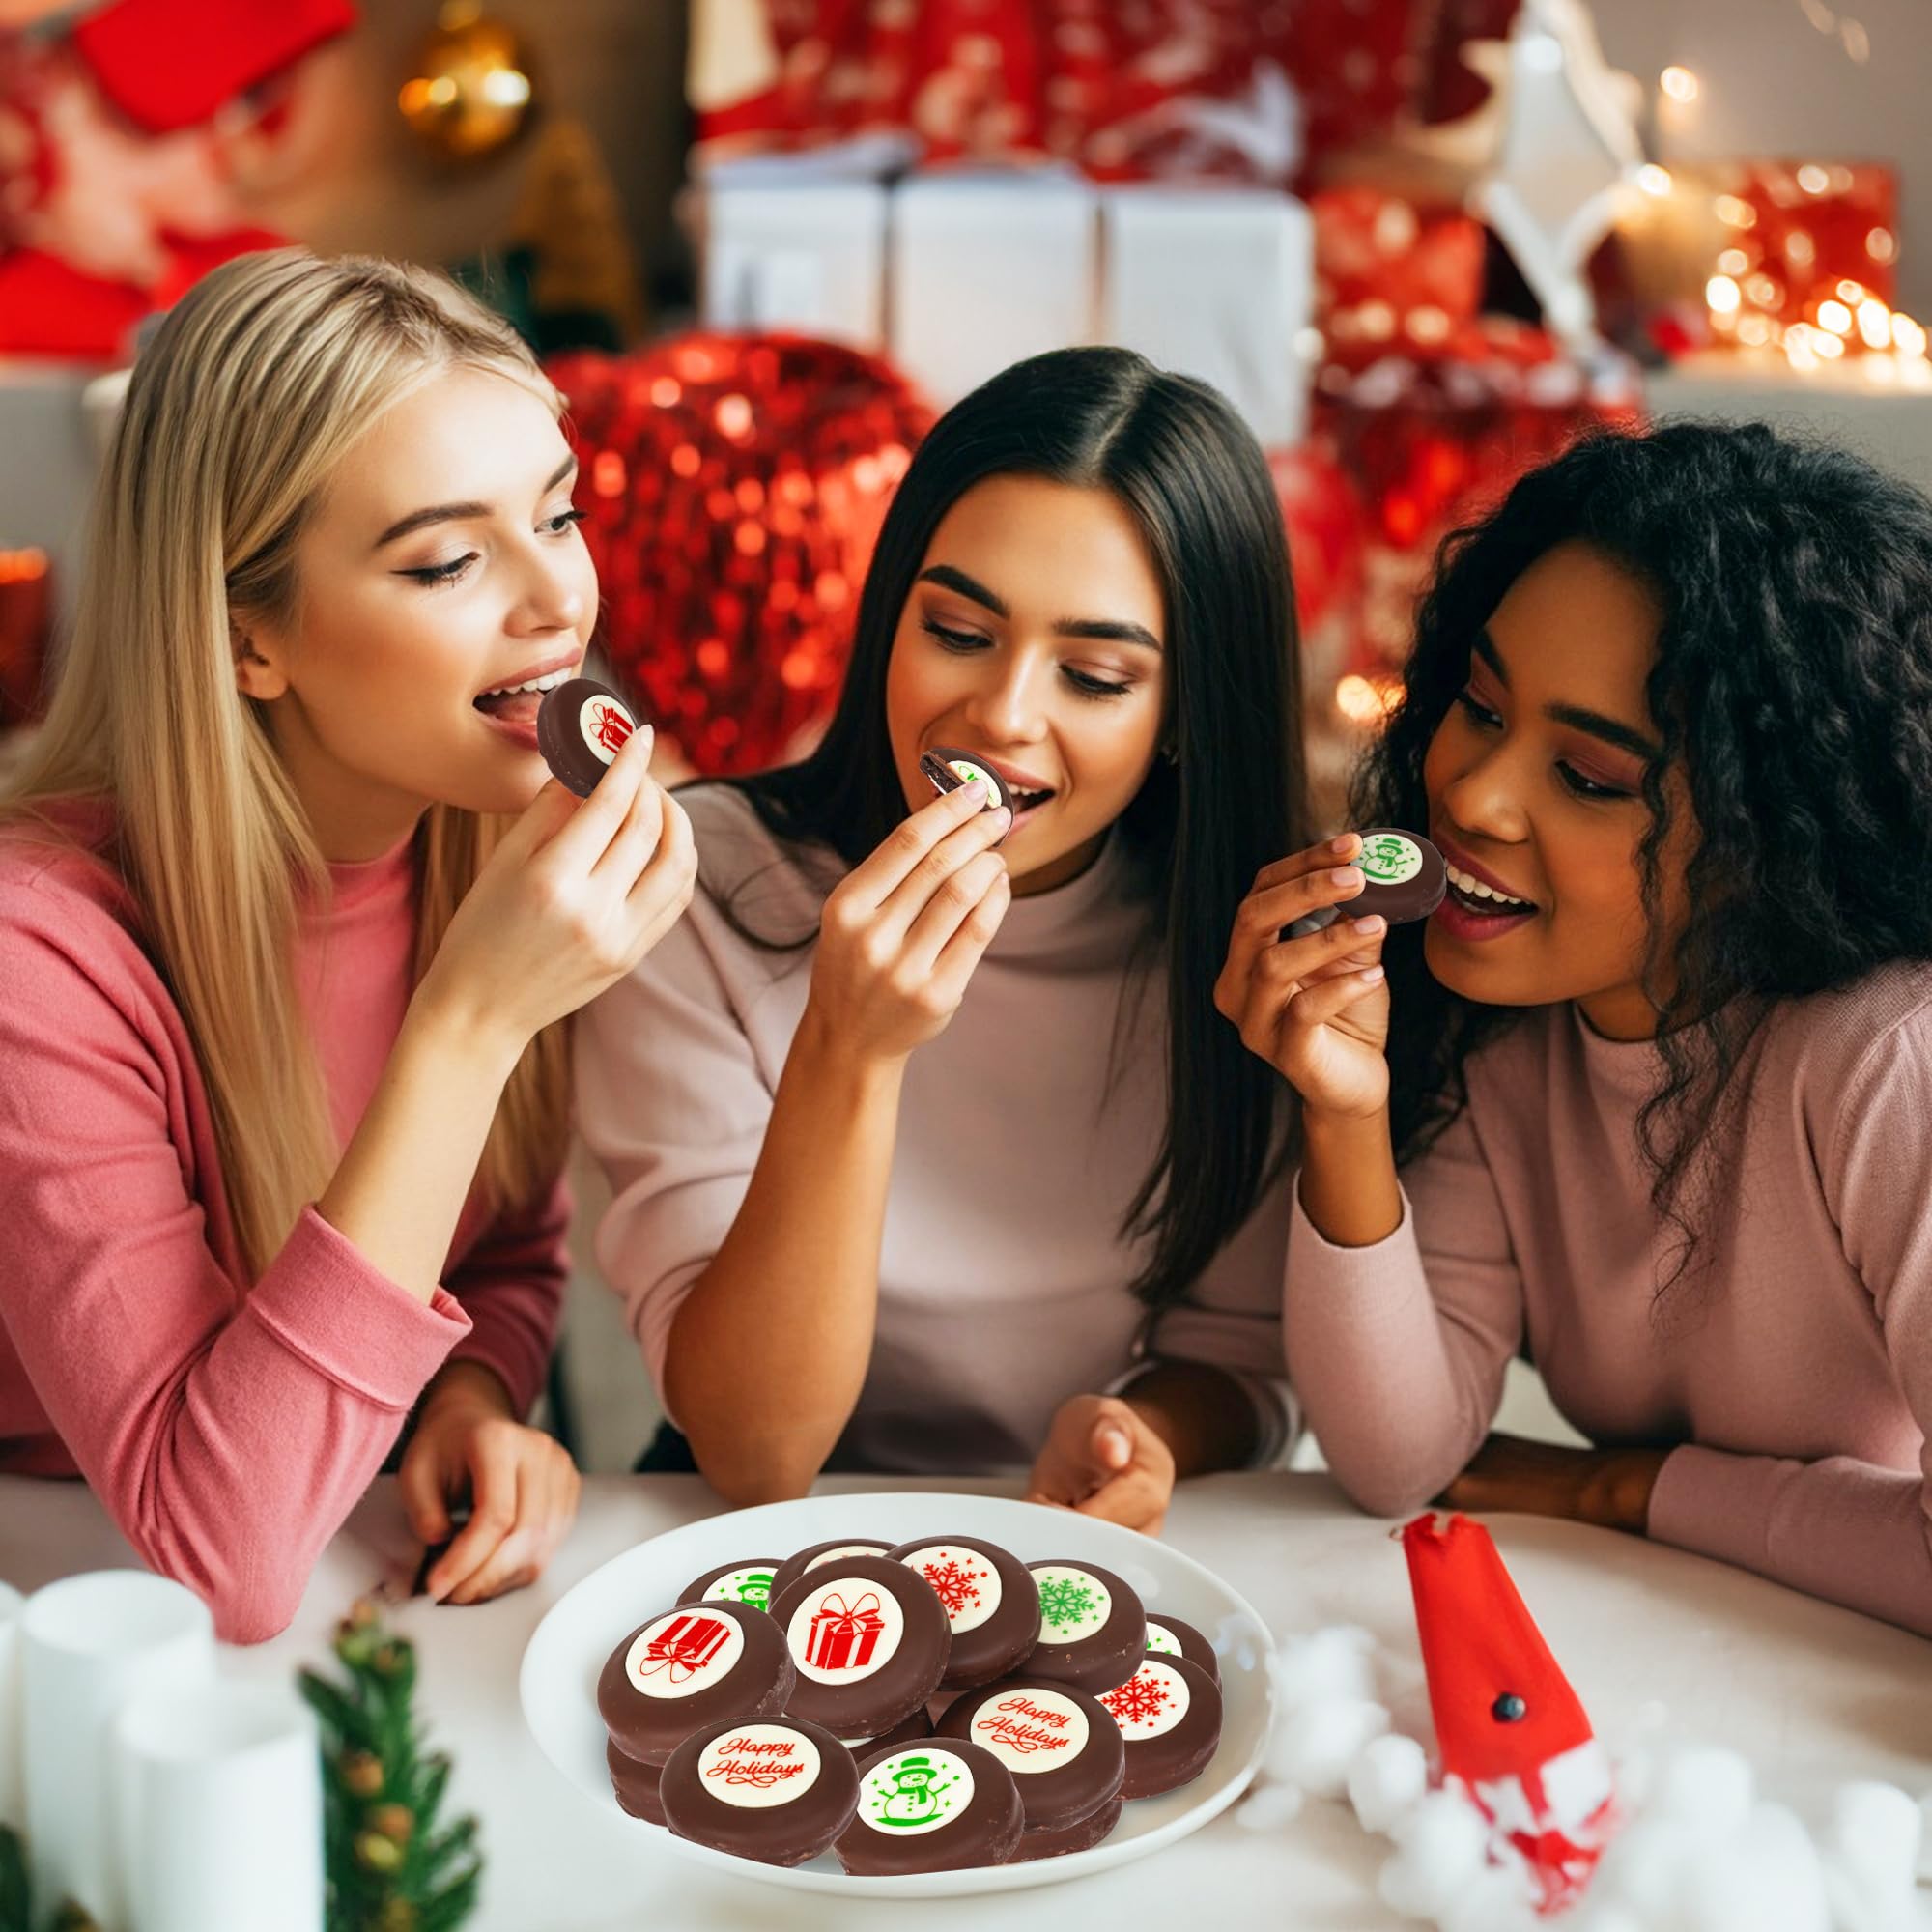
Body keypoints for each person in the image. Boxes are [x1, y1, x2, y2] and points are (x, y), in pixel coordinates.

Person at [0, 250, 696, 1640]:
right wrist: (471, 1022)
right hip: (72, 1626)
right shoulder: (41, 954)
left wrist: (469, 1394)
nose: (558, 603)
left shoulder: (492, 840)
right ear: (246, 636)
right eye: (446, 559)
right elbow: (218, 1563)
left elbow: (497, 1251)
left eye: (557, 516)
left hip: (359, 1593)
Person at [1218, 421, 1932, 1636]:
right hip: (1661, 1651)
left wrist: (1620, 1486)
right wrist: (1344, 1112)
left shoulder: (1882, 1059)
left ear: (1771, 834)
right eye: (1481, 707)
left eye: (1590, 778)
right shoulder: (1500, 1020)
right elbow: (1396, 1456)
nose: (1473, 794)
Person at [578, 347, 1310, 1529]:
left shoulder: (1239, 940)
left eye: (1093, 673)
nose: (1004, 715)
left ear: (1184, 714)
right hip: (751, 1521)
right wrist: (848, 1050)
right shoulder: (699, 884)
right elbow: (754, 1446)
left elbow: (1240, 1354)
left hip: (1074, 1527)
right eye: (960, 632)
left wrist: (1146, 1432)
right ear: (889, 619)